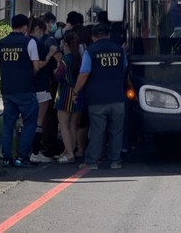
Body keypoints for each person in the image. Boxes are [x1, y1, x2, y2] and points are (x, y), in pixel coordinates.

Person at [0, 14, 51, 168]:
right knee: (30, 122)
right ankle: (22, 157)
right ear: (25, 27)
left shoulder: (1, 43)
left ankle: (7, 157)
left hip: (7, 89)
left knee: (8, 123)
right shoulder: (29, 42)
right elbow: (35, 67)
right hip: (25, 89)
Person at [75, 23, 132, 170]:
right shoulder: (119, 51)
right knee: (116, 131)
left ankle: (92, 162)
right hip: (117, 97)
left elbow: (84, 73)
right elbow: (124, 68)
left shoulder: (90, 51)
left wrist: (76, 91)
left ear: (93, 37)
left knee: (97, 131)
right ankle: (115, 161)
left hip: (97, 99)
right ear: (108, 35)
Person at [28, 18, 58, 163]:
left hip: (24, 87)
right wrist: (49, 56)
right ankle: (34, 151)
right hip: (40, 85)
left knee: (26, 120)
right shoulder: (39, 44)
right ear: (39, 29)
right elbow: (38, 66)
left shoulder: (22, 42)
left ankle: (24, 150)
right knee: (39, 120)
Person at [52, 30, 83, 163]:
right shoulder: (80, 58)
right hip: (78, 93)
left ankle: (69, 154)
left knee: (63, 125)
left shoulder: (65, 59)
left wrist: (56, 69)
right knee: (73, 125)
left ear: (66, 44)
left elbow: (59, 76)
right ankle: (69, 151)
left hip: (65, 93)